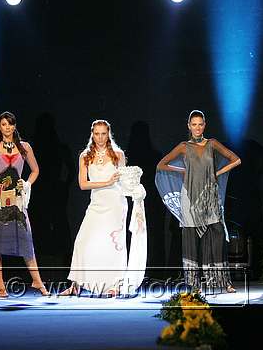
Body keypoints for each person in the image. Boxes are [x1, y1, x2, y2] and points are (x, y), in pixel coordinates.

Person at [156, 110, 241, 293]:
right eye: (194, 124)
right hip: (190, 197)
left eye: (200, 124)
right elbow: (161, 165)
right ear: (189, 126)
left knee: (217, 236)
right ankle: (194, 284)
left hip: (210, 196)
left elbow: (236, 160)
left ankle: (222, 281)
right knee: (191, 240)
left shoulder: (212, 143)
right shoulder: (184, 146)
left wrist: (217, 173)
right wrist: (182, 171)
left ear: (204, 125)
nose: (197, 128)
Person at [61, 119, 147, 297]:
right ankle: (76, 285)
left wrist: (137, 191)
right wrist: (106, 182)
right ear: (92, 135)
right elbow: (83, 184)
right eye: (97, 134)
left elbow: (124, 182)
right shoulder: (85, 156)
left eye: (103, 134)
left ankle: (115, 285)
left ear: (109, 134)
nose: (100, 137)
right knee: (82, 242)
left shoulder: (118, 154)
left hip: (116, 204)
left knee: (114, 245)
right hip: (97, 204)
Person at [0, 111, 49, 297]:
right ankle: (0, 285)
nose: (7, 127)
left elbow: (35, 170)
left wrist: (27, 183)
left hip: (16, 198)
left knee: (25, 237)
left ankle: (37, 281)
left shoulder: (24, 147)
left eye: (10, 124)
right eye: (3, 124)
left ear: (14, 126)